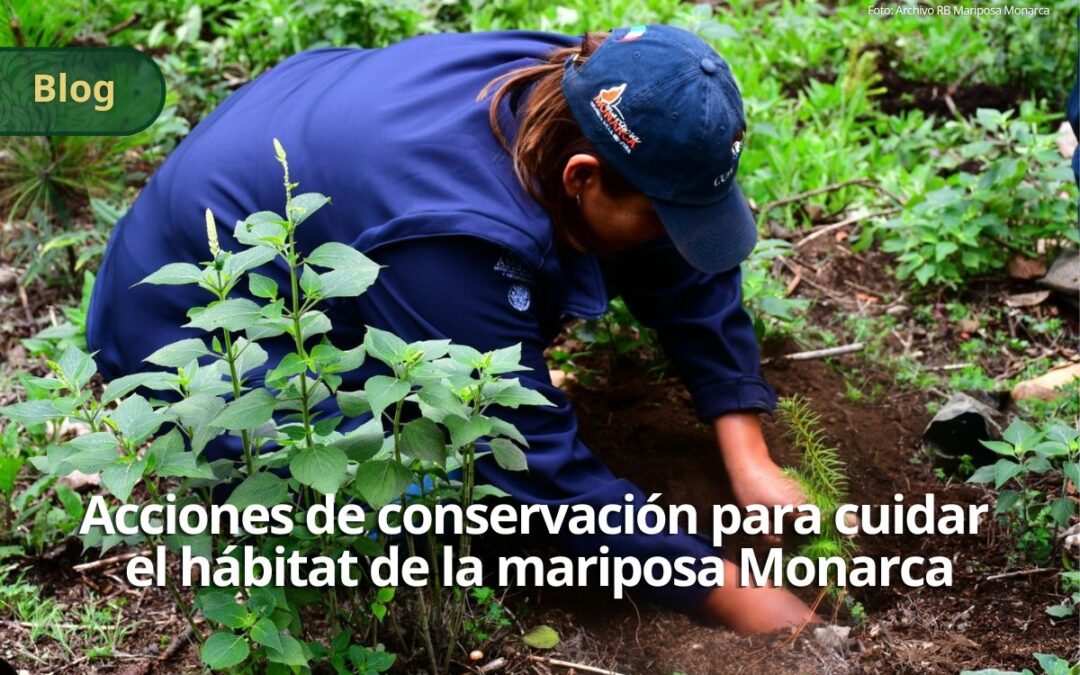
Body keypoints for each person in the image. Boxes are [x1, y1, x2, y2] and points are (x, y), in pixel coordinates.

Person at [87, 25, 817, 633]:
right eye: (665, 219)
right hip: (193, 322)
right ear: (581, 178)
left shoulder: (600, 91)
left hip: (321, 162)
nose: (676, 238)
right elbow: (541, 471)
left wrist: (746, 455)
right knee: (438, 511)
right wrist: (727, 592)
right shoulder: (453, 242)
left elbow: (687, 259)